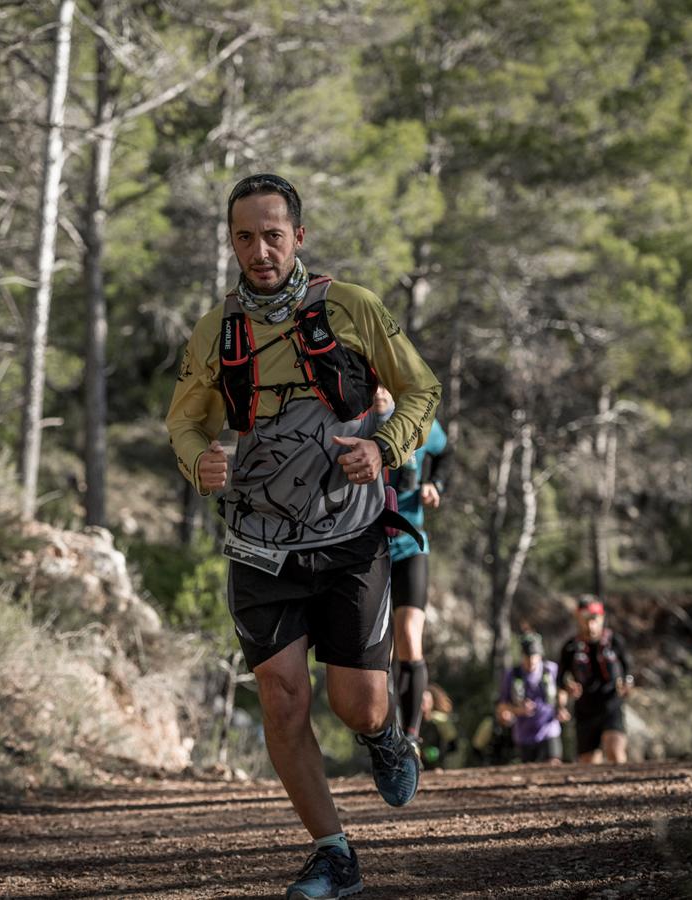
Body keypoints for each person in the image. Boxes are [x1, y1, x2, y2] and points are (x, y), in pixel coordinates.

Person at [166, 173, 441, 900]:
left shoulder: (352, 308)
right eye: (244, 237)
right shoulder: (218, 330)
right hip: (258, 538)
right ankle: (332, 853)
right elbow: (185, 420)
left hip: (350, 533)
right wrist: (201, 460)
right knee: (282, 698)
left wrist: (384, 449)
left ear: (299, 236)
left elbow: (421, 391)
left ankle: (386, 739)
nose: (259, 250)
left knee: (359, 704)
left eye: (272, 235)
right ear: (231, 242)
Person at [371, 386, 450, 744]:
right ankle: (382, 732)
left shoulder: (418, 425)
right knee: (375, 646)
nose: (378, 392)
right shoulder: (357, 423)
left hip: (410, 544)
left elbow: (446, 451)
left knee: (408, 636)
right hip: (367, 548)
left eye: (385, 384)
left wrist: (436, 483)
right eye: (372, 384)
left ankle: (412, 736)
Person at [559, 596, 634, 764]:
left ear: (601, 618)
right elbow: (560, 679)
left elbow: (628, 669)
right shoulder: (570, 647)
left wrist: (628, 683)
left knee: (615, 752)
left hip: (611, 705)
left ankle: (624, 788)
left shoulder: (614, 642)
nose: (590, 625)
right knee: (588, 762)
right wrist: (566, 693)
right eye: (585, 619)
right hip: (585, 709)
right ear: (578, 618)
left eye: (594, 619)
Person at [495, 631, 567, 764]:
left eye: (535, 656)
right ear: (522, 656)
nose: (531, 661)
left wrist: (561, 707)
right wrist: (518, 710)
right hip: (524, 736)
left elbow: (562, 692)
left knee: (553, 766)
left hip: (549, 730)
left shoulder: (551, 669)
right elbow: (501, 706)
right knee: (532, 773)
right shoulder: (512, 674)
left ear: (540, 655)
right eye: (527, 657)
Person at [417, 683, 459, 770]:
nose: (423, 704)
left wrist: (437, 753)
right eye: (421, 700)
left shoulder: (440, 720)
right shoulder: (410, 720)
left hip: (437, 764)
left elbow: (453, 745)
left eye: (426, 701)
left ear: (432, 702)